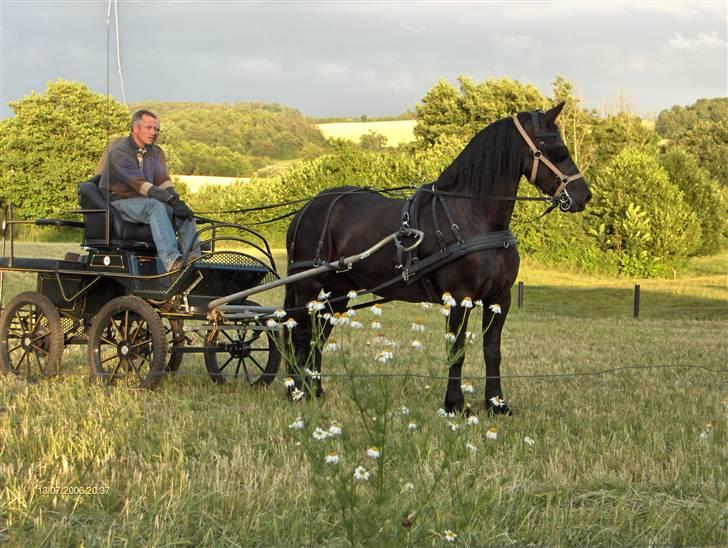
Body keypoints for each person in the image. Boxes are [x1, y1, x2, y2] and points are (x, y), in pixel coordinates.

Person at [97, 109, 200, 272]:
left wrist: (178, 202)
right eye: (149, 128)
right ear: (135, 128)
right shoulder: (120, 153)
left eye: (157, 129)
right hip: (119, 201)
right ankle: (173, 261)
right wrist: (170, 201)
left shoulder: (155, 152)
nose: (154, 132)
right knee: (155, 206)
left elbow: (162, 181)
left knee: (185, 212)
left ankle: (195, 259)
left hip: (143, 200)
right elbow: (142, 185)